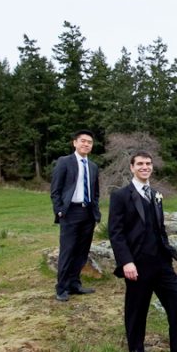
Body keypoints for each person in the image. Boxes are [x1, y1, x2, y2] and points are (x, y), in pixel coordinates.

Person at [108, 151, 177, 352]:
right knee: (137, 310)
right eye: (140, 164)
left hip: (161, 262)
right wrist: (126, 262)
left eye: (148, 164)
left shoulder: (155, 194)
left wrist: (168, 251)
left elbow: (159, 227)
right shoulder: (121, 196)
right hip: (137, 264)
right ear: (132, 168)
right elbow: (116, 233)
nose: (145, 167)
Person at [50, 129, 101, 302]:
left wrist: (96, 212)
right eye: (83, 141)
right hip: (70, 212)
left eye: (89, 142)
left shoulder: (93, 166)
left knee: (82, 251)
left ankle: (74, 284)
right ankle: (61, 287)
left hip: (88, 213)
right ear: (75, 143)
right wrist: (59, 210)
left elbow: (95, 192)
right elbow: (55, 189)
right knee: (68, 250)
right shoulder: (64, 162)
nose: (86, 144)